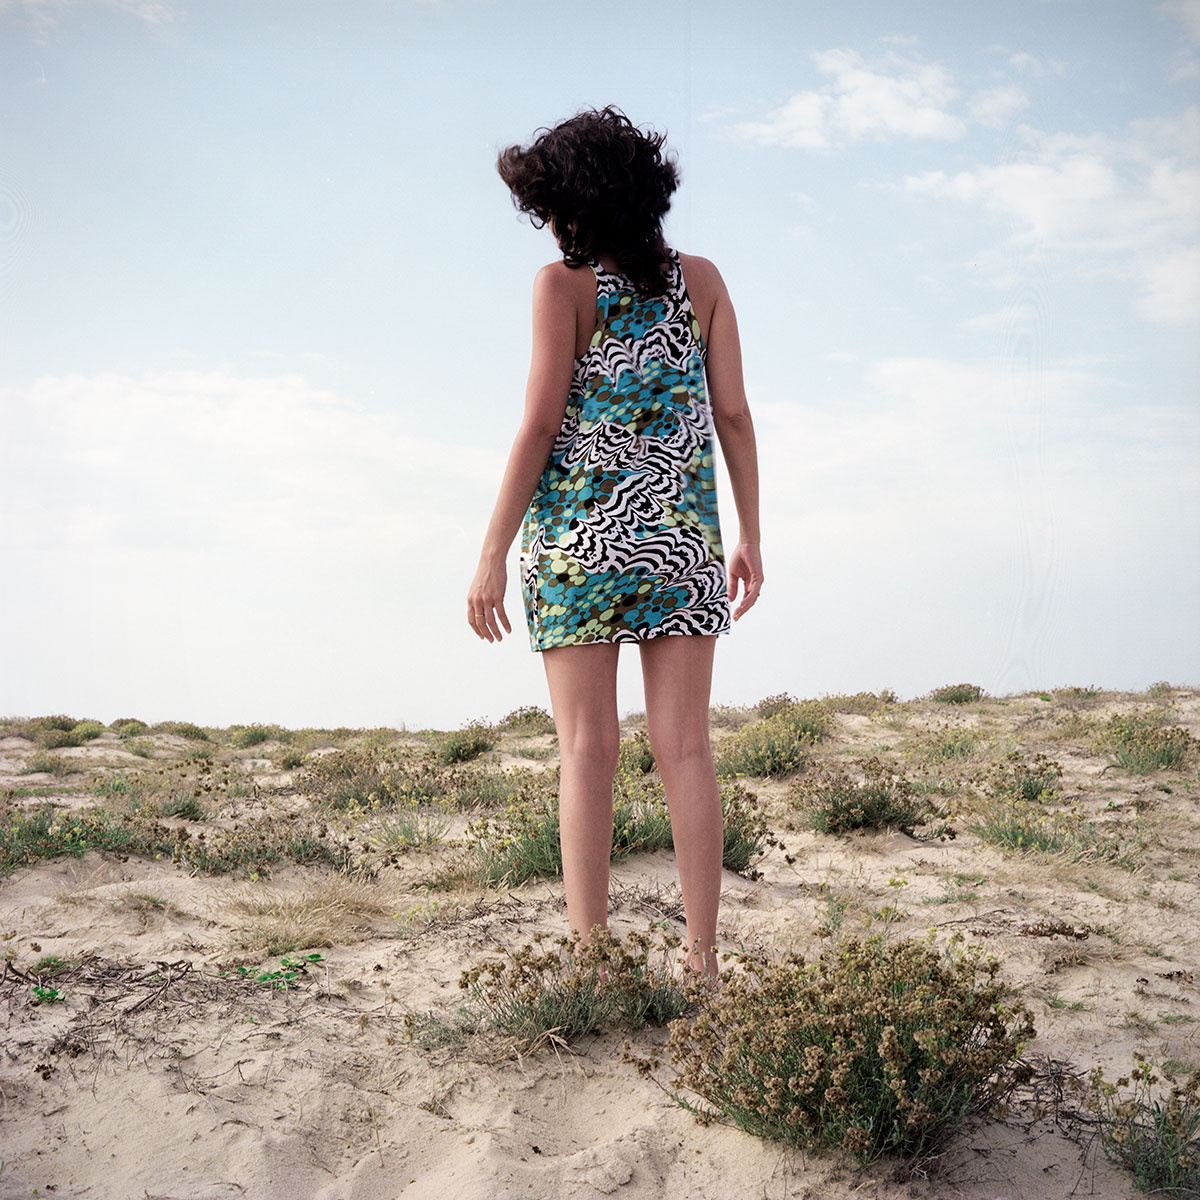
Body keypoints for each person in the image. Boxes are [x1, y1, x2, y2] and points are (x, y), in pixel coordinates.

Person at [467, 107, 762, 981]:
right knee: (687, 749)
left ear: (578, 203)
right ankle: (701, 964)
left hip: (579, 549)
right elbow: (734, 415)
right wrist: (749, 532)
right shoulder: (702, 282)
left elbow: (538, 425)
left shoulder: (563, 289)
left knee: (586, 753)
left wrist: (491, 551)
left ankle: (593, 962)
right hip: (681, 546)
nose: (548, 223)